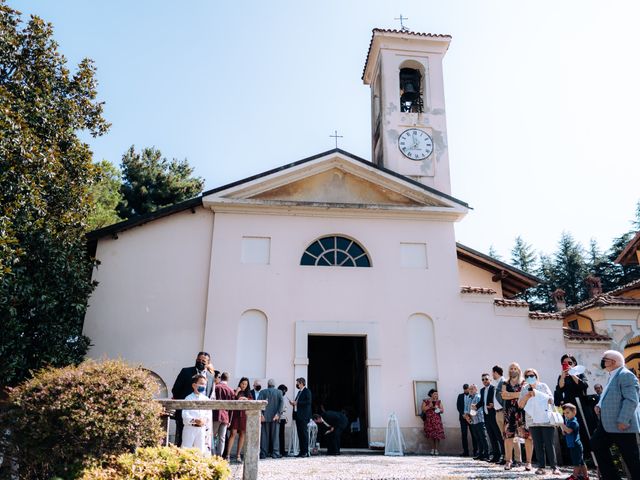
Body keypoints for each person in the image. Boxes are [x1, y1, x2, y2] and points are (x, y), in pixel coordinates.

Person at [591, 350, 640, 480]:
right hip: (607, 424)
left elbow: (631, 399)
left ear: (613, 362)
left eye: (604, 359)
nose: (602, 361)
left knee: (631, 458)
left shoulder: (625, 375)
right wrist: (599, 405)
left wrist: (623, 420)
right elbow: (610, 396)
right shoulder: (612, 375)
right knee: (596, 444)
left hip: (621, 424)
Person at [518, 368, 560, 475]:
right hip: (532, 421)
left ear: (536, 376)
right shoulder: (524, 389)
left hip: (546, 419)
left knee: (549, 444)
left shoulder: (543, 386)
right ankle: (541, 467)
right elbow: (520, 405)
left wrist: (539, 395)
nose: (530, 378)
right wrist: (528, 395)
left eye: (532, 375)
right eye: (527, 376)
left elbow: (551, 400)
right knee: (537, 444)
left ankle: (554, 467)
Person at [555, 353, 594, 460]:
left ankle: (590, 457)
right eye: (564, 363)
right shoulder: (561, 376)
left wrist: (572, 373)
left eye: (570, 363)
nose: (567, 365)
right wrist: (563, 376)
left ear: (575, 363)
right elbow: (559, 389)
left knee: (585, 430)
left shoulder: (580, 374)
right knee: (572, 431)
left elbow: (583, 386)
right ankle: (577, 459)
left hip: (581, 405)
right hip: (569, 406)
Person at [171, 352, 215, 446]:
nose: (200, 362)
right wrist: (186, 403)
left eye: (203, 361)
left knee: (201, 445)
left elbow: (209, 393)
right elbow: (175, 390)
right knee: (182, 443)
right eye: (199, 360)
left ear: (208, 363)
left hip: (202, 417)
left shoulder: (211, 377)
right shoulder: (186, 372)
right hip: (186, 414)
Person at [501, 362, 532, 471]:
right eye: (511, 368)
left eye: (515, 368)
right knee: (508, 437)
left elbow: (523, 395)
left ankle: (528, 462)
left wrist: (509, 395)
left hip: (522, 411)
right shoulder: (505, 382)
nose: (513, 370)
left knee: (527, 437)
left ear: (519, 370)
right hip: (509, 413)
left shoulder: (524, 382)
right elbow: (503, 396)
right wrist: (516, 394)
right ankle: (508, 461)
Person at [474, 373, 503, 463]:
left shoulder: (494, 388)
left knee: (499, 436)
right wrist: (476, 406)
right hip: (486, 417)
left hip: (494, 416)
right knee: (491, 437)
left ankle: (505, 456)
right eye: (483, 379)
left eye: (486, 379)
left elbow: (499, 400)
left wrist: (494, 405)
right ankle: (496, 456)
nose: (484, 381)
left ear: (490, 380)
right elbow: (482, 402)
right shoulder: (482, 390)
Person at [181, 373, 213, 456]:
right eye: (201, 384)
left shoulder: (206, 399)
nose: (204, 386)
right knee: (186, 450)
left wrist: (204, 420)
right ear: (194, 385)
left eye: (205, 384)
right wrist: (195, 420)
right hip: (190, 428)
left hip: (202, 429)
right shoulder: (188, 398)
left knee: (201, 451)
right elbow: (185, 414)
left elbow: (208, 413)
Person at [560, 403, 588, 480]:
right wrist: (564, 431)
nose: (566, 415)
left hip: (576, 445)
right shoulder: (569, 421)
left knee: (576, 463)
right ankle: (586, 477)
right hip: (573, 445)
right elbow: (566, 432)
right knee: (581, 462)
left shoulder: (574, 422)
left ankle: (574, 477)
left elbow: (569, 431)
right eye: (564, 413)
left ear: (574, 412)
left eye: (568, 412)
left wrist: (562, 424)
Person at [259, 379, 284, 459]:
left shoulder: (262, 392)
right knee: (275, 437)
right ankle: (275, 453)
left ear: (268, 384)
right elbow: (281, 404)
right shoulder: (279, 392)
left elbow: (259, 403)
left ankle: (263, 454)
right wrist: (278, 414)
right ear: (274, 385)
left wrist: (261, 414)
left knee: (264, 437)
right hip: (275, 418)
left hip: (264, 417)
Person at [227, 377, 251, 463]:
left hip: (244, 416)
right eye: (242, 383)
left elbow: (252, 402)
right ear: (240, 383)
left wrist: (246, 399)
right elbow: (231, 400)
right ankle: (228, 455)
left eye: (245, 384)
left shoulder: (249, 393)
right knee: (232, 434)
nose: (244, 385)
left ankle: (238, 455)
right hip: (236, 416)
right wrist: (237, 392)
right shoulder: (235, 391)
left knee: (242, 434)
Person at [211, 371, 235, 457]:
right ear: (228, 379)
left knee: (212, 436)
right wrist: (230, 420)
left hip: (215, 415)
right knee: (222, 438)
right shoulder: (231, 390)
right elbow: (232, 408)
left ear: (221, 378)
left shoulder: (215, 387)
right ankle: (219, 456)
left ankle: (212, 454)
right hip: (225, 416)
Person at [290, 377, 312, 458]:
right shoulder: (299, 392)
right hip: (298, 416)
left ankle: (305, 452)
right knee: (300, 434)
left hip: (304, 416)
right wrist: (293, 403)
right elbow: (297, 403)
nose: (297, 385)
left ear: (302, 383)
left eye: (298, 383)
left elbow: (308, 402)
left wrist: (297, 403)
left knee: (304, 434)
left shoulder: (307, 391)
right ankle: (301, 451)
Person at [466, 384, 489, 461]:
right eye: (470, 389)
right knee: (478, 438)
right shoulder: (469, 398)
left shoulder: (478, 397)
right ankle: (480, 454)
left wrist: (471, 413)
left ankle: (486, 454)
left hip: (479, 420)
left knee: (483, 437)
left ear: (476, 389)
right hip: (473, 421)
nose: (471, 390)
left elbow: (478, 409)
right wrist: (467, 415)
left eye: (472, 389)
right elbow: (468, 409)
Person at [491, 365, 508, 464]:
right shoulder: (497, 383)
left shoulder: (503, 382)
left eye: (492, 373)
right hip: (497, 412)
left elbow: (504, 398)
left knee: (508, 436)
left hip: (503, 411)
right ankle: (506, 457)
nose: (492, 374)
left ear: (496, 373)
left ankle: (511, 458)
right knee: (503, 436)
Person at [421, 388, 445, 455]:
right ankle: (432, 449)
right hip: (429, 420)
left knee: (437, 435)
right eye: (435, 394)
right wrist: (429, 406)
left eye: (437, 394)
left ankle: (436, 449)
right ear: (431, 394)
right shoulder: (425, 401)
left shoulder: (439, 402)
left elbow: (442, 410)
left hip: (437, 420)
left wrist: (437, 408)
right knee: (431, 435)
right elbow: (423, 410)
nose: (436, 395)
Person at [456, 384, 474, 457]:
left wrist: (470, 415)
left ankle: (476, 451)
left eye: (467, 388)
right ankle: (465, 452)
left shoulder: (472, 396)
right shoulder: (460, 396)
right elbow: (458, 406)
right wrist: (463, 414)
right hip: (463, 418)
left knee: (474, 434)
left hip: (471, 417)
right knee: (464, 435)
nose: (466, 390)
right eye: (464, 389)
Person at [277, 384, 289, 457]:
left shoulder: (284, 397)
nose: (284, 392)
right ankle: (280, 451)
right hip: (279, 418)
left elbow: (285, 408)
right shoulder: (279, 397)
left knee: (281, 435)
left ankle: (282, 450)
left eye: (285, 391)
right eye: (284, 390)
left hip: (283, 418)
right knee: (279, 436)